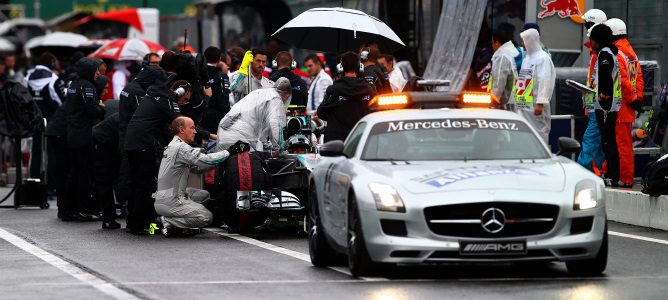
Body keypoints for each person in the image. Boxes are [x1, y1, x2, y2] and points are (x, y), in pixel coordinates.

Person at [124, 80, 192, 235]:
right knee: (144, 185)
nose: (183, 103)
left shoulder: (154, 97)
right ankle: (138, 225)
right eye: (185, 99)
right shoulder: (165, 100)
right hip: (142, 146)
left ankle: (137, 223)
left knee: (138, 184)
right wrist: (208, 135)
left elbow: (165, 130)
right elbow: (183, 125)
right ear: (180, 92)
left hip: (134, 144)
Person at [154, 116, 241, 236]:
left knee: (204, 196)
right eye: (192, 128)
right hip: (172, 200)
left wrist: (220, 160)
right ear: (181, 130)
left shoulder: (173, 145)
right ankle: (167, 221)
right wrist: (229, 152)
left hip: (165, 197)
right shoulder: (181, 147)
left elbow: (198, 169)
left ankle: (174, 219)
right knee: (206, 217)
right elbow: (205, 160)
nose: (195, 131)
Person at [64, 57, 105, 221]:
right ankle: (84, 209)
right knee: (84, 174)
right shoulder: (88, 86)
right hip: (83, 135)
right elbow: (91, 111)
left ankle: (68, 209)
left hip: (72, 133)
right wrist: (101, 108)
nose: (98, 73)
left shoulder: (73, 84)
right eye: (95, 70)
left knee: (73, 173)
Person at [607, 18, 644, 188]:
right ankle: (621, 176)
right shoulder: (631, 54)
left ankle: (625, 178)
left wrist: (632, 99)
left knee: (621, 145)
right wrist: (638, 99)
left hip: (621, 105)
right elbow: (639, 79)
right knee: (624, 144)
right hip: (629, 105)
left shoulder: (617, 53)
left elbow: (622, 80)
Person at [217, 77, 293, 151]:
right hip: (240, 138)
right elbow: (274, 124)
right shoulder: (276, 98)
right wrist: (280, 148)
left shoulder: (260, 93)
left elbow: (260, 127)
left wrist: (266, 145)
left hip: (224, 134)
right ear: (287, 96)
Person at [590, 24, 623, 187]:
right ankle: (612, 174)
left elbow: (605, 75)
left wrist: (604, 94)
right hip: (611, 105)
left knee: (608, 142)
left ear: (597, 39)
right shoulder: (609, 52)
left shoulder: (604, 54)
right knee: (608, 141)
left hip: (606, 106)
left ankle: (612, 176)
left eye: (592, 37)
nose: (590, 41)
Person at [317, 52, 375, 142]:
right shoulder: (369, 89)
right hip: (360, 138)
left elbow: (321, 112)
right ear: (360, 68)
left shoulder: (333, 89)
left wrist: (335, 118)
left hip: (336, 141)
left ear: (340, 68)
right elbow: (374, 112)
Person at [577, 9, 608, 174]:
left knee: (590, 140)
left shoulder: (601, 53)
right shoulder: (596, 52)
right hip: (595, 103)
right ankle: (603, 170)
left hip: (599, 104)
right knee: (597, 143)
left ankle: (581, 171)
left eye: (586, 25)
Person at [25, 52, 62, 187]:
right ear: (51, 63)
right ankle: (51, 185)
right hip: (51, 119)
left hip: (34, 119)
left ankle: (35, 182)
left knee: (36, 151)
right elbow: (60, 101)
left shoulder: (28, 76)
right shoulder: (53, 78)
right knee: (52, 152)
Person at [514, 28, 555, 143]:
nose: (522, 44)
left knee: (539, 134)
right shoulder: (527, 58)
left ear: (531, 40)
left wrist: (540, 103)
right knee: (525, 135)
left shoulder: (543, 58)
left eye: (524, 40)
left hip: (536, 106)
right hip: (525, 105)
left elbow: (545, 80)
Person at [92, 112, 121, 229]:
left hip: (102, 141)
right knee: (105, 181)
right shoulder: (127, 119)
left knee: (104, 182)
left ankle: (107, 217)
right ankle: (108, 218)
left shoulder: (122, 115)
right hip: (103, 144)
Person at [202, 46, 231, 134]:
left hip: (200, 119)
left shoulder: (198, 73)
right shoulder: (221, 76)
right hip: (215, 121)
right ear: (219, 59)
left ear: (205, 58)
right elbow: (224, 100)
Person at [488, 29, 519, 108]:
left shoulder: (502, 57)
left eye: (492, 43)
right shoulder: (509, 55)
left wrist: (491, 104)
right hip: (510, 102)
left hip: (502, 105)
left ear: (497, 43)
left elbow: (498, 84)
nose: (492, 46)